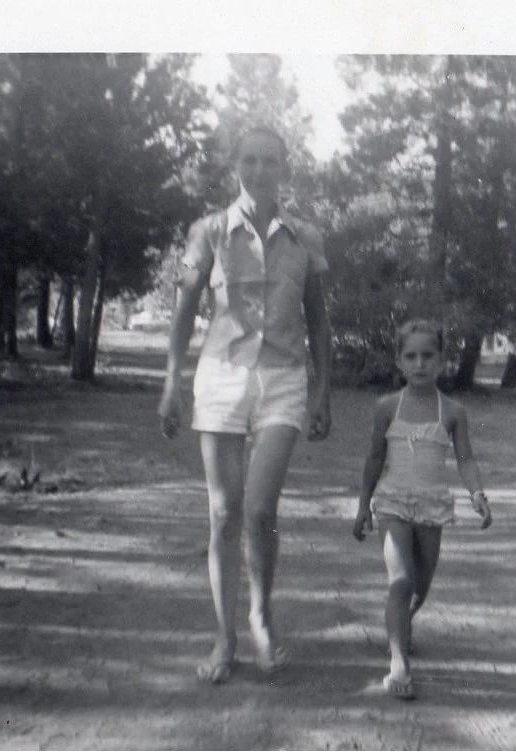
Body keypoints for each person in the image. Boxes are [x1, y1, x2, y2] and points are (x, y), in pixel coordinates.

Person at [158, 125, 332, 684]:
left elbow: (319, 318)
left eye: (270, 160)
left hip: (283, 378)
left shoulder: (306, 237)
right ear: (236, 166)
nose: (259, 170)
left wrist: (324, 386)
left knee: (260, 508)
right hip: (221, 377)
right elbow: (184, 310)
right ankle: (224, 637)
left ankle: (261, 613)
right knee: (223, 513)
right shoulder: (206, 232)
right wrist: (171, 382)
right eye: (249, 160)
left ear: (285, 167)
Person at [353, 319, 492, 700]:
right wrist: (363, 506)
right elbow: (373, 458)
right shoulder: (386, 407)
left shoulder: (452, 411)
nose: (419, 364)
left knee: (420, 587)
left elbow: (465, 457)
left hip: (432, 507)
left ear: (442, 361)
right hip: (393, 504)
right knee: (400, 580)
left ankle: (399, 626)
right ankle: (399, 663)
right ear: (399, 362)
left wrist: (477, 493)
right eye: (411, 356)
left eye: (428, 356)